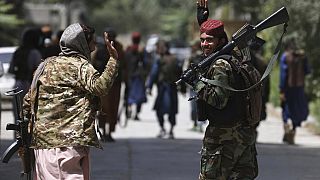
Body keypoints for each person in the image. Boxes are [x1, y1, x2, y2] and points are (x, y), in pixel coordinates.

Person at [23, 23, 119, 179]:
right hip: (69, 145)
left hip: (43, 145)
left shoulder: (45, 66)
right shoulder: (81, 66)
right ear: (81, 43)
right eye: (92, 43)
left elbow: (28, 101)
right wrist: (113, 60)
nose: (94, 48)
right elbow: (100, 88)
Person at [194, 1, 259, 179]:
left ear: (221, 41)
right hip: (243, 137)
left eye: (209, 40)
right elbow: (227, 45)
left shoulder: (220, 65)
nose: (204, 44)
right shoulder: (234, 57)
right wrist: (204, 24)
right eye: (202, 40)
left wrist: (196, 83)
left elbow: (218, 100)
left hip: (223, 140)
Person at [92, 27, 125, 142]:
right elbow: (95, 64)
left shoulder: (119, 48)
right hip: (104, 83)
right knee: (103, 108)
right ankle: (103, 131)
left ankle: (109, 132)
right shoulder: (100, 49)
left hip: (115, 84)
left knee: (113, 108)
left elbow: (123, 65)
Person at [146, 40, 183, 139]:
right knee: (169, 110)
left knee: (162, 110)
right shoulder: (174, 59)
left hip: (166, 88)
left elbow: (154, 74)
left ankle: (165, 129)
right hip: (167, 88)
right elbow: (181, 75)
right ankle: (168, 130)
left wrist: (149, 87)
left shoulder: (160, 60)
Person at [280, 39, 310, 145]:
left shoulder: (285, 57)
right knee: (297, 110)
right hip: (299, 88)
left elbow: (283, 75)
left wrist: (282, 90)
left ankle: (286, 127)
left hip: (288, 88)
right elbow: (308, 71)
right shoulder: (302, 57)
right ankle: (292, 131)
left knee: (286, 109)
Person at [9, 27, 43, 122]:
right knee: (29, 116)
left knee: (17, 117)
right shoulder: (35, 53)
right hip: (29, 86)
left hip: (17, 85)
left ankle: (18, 136)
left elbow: (11, 70)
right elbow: (39, 71)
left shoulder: (17, 51)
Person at [124, 31, 147, 121]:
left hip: (129, 75)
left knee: (128, 93)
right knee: (139, 95)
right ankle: (136, 114)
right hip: (139, 76)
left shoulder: (128, 49)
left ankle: (129, 108)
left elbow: (124, 62)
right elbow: (146, 63)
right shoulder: (142, 50)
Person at [186, 39, 204, 132]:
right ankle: (195, 123)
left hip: (201, 85)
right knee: (194, 106)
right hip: (194, 84)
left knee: (198, 106)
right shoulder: (192, 57)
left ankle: (199, 123)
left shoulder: (203, 56)